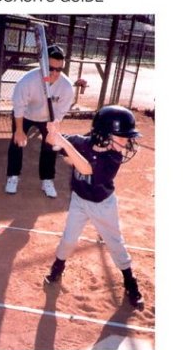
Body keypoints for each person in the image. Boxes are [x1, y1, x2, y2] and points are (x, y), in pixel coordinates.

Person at [44, 105, 144, 309]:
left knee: (115, 242)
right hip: (79, 201)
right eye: (122, 137)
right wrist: (52, 134)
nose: (126, 143)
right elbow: (51, 144)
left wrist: (64, 144)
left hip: (103, 205)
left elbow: (86, 169)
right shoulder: (82, 143)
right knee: (69, 239)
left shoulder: (113, 158)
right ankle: (58, 265)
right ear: (105, 135)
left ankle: (129, 280)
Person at [5, 45, 74, 198]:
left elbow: (60, 113)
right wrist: (19, 130)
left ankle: (47, 180)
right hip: (26, 114)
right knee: (17, 142)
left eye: (59, 69)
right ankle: (13, 176)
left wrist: (53, 129)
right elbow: (19, 107)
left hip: (48, 118)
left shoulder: (66, 87)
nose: (55, 73)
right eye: (50, 68)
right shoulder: (27, 81)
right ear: (42, 65)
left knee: (50, 145)